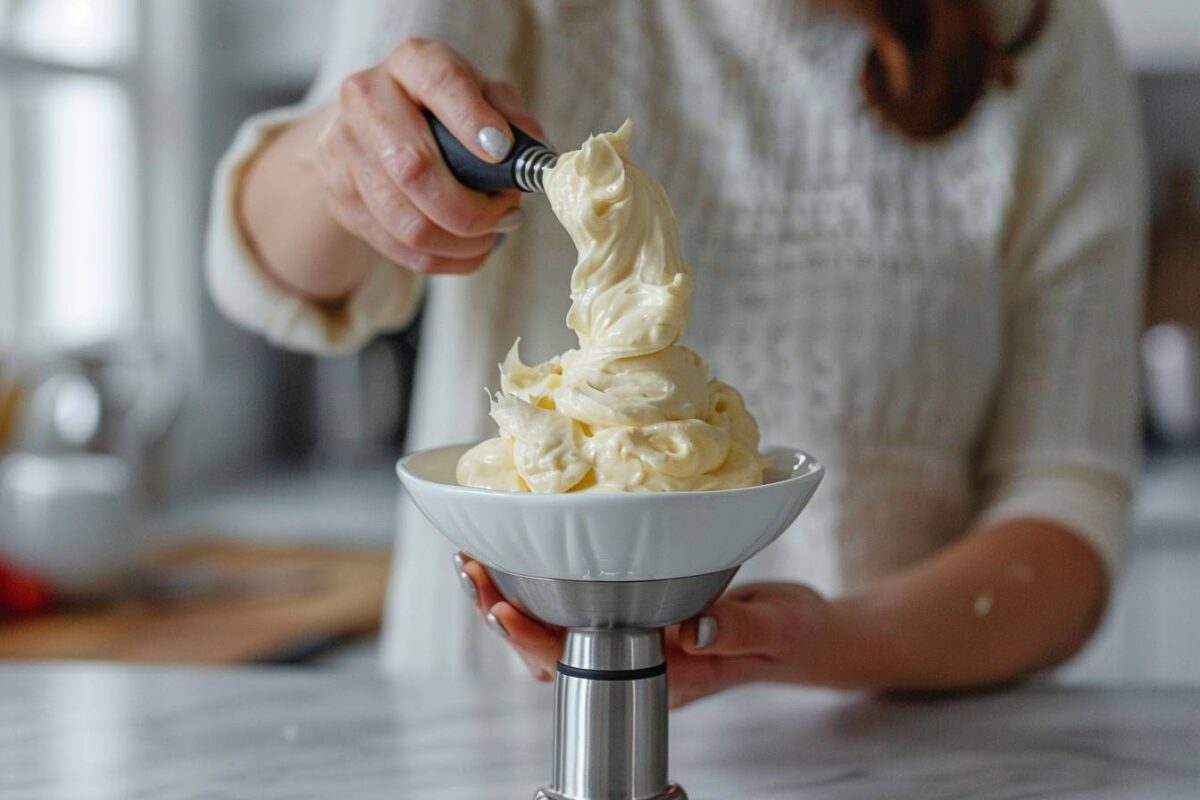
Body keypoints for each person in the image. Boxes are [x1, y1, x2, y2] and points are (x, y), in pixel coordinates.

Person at [207, 0, 1146, 703]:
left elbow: (1065, 502)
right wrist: (341, 165)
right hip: (480, 733)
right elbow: (266, 262)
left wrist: (810, 642)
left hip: (871, 740)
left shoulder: (1046, 42)